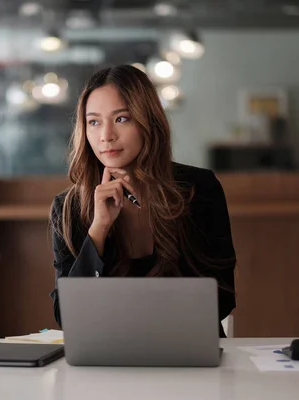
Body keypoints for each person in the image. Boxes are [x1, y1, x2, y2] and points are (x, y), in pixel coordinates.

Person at [49, 65, 236, 337]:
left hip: (187, 351)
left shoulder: (198, 189)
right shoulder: (68, 208)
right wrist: (98, 230)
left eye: (121, 119)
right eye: (94, 122)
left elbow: (222, 297)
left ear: (148, 121)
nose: (106, 135)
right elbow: (67, 317)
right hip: (107, 360)